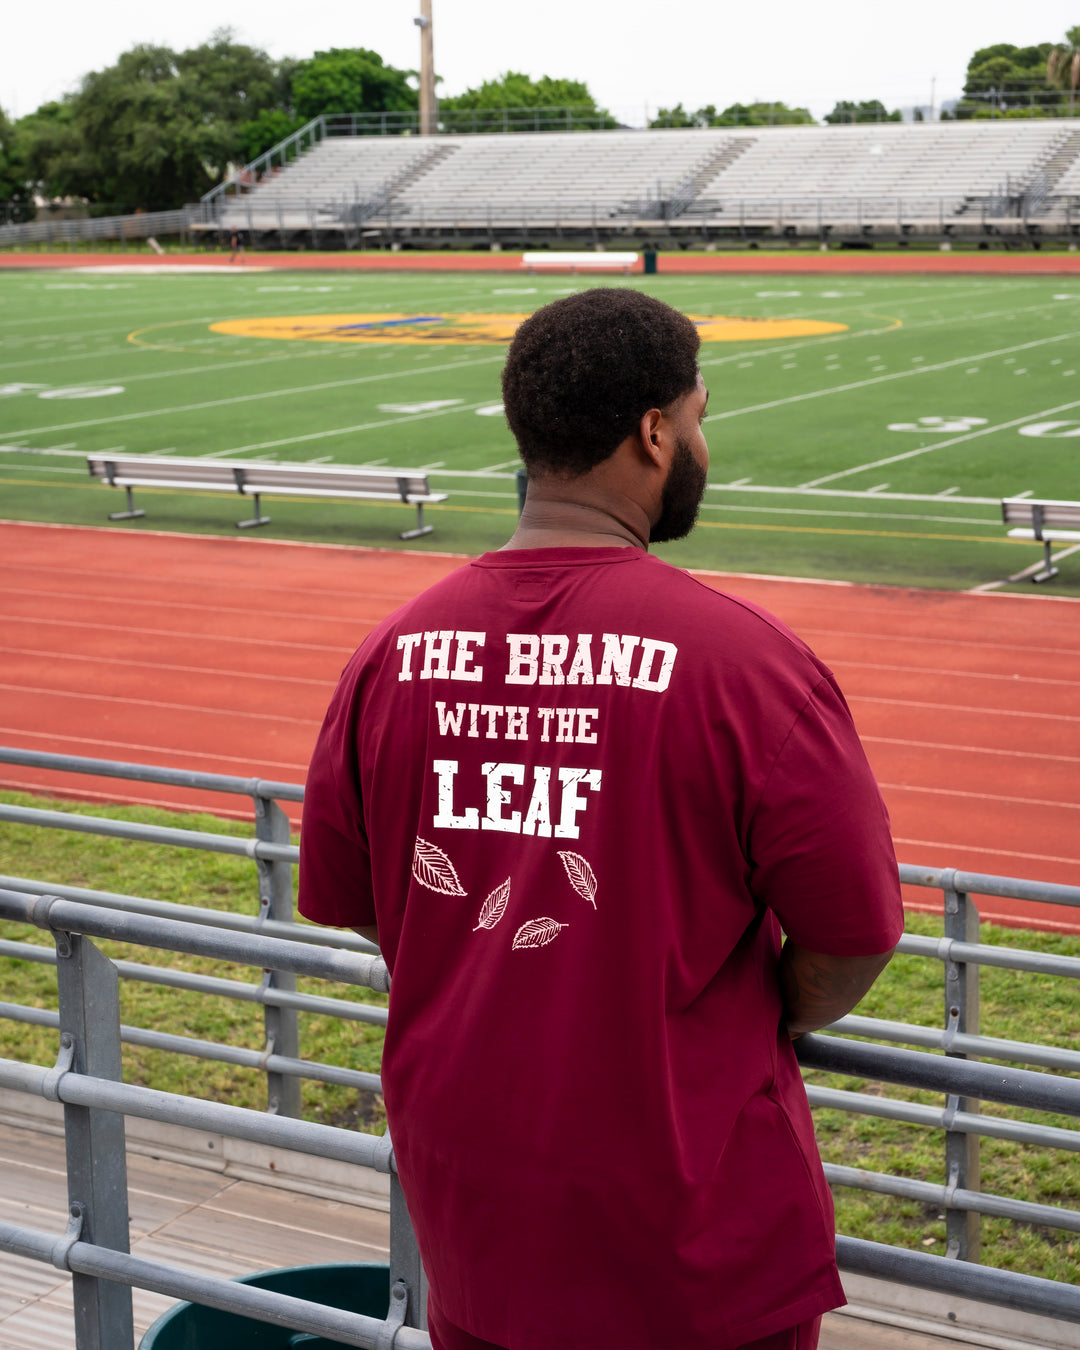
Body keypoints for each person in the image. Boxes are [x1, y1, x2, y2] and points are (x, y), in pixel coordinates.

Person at [298, 288, 904, 1350]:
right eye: (700, 417)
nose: (702, 442)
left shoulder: (390, 655)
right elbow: (854, 931)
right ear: (655, 433)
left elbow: (359, 905)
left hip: (477, 1227)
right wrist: (746, 1018)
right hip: (694, 1246)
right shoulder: (749, 663)